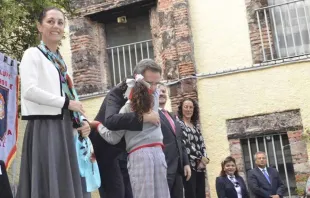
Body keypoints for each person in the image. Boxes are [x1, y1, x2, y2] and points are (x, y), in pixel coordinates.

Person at [17, 7, 91, 198]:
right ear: (39, 26)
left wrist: (82, 122)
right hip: (46, 127)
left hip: (67, 127)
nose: (56, 26)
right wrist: (66, 103)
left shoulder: (60, 61)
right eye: (50, 21)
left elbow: (70, 95)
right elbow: (29, 91)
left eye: (60, 22)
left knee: (69, 183)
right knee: (51, 182)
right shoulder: (32, 54)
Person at [91, 63, 170, 198]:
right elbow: (110, 121)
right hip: (108, 152)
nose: (154, 88)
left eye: (157, 83)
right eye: (150, 83)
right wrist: (143, 117)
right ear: (138, 79)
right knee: (118, 193)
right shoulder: (116, 94)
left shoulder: (152, 95)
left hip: (129, 151)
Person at [158, 83, 191, 198]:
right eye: (159, 91)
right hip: (163, 167)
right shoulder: (151, 115)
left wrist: (186, 163)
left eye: (164, 91)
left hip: (177, 168)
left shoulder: (172, 116)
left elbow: (180, 141)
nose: (162, 93)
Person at [177, 98, 208, 198]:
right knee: (191, 194)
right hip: (188, 166)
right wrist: (199, 157)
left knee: (201, 194)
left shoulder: (195, 128)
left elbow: (202, 144)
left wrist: (205, 159)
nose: (188, 109)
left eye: (191, 107)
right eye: (186, 107)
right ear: (181, 109)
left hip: (200, 167)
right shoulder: (179, 125)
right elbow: (185, 144)